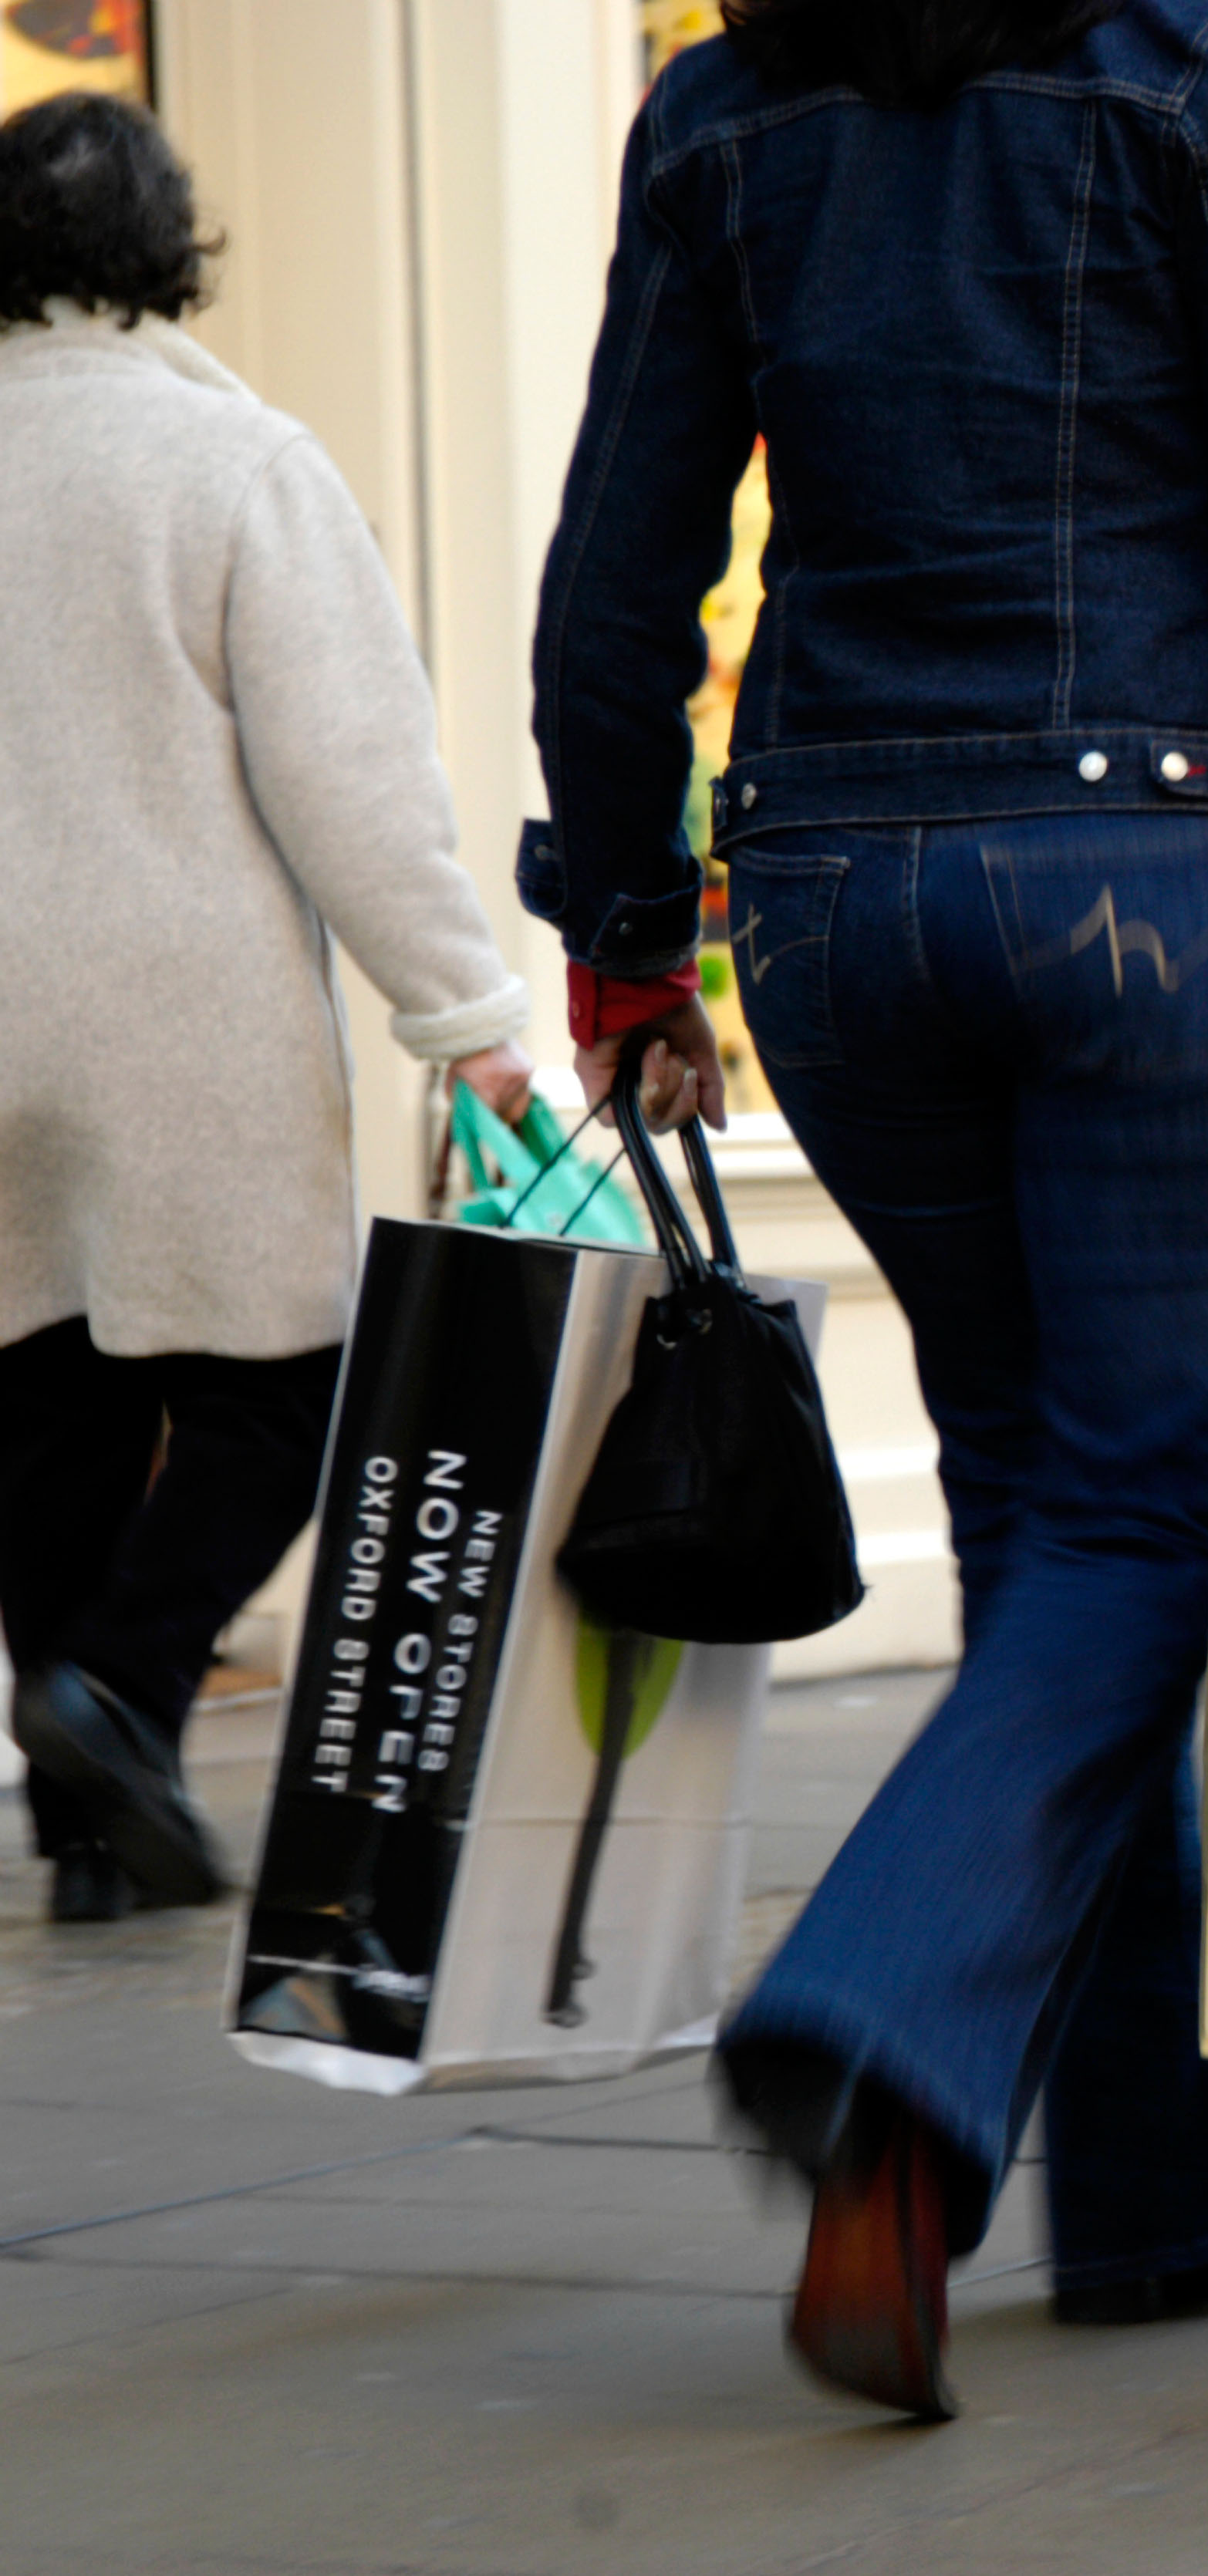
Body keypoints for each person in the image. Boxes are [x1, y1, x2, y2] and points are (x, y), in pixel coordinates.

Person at [524, 0, 1208, 2420]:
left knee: (1049, 1513)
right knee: (1151, 1531)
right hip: (1158, 882)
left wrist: (628, 932)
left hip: (845, 904)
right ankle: (879, 2038)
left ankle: (1158, 2193)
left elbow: (624, 551)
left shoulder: (728, 102)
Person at [0, 93, 535, 1928]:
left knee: (43, 1400)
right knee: (292, 1389)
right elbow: (354, 780)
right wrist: (462, 1007)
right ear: (171, 252)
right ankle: (124, 1687)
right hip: (184, 1008)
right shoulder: (236, 465)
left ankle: (91, 1831)